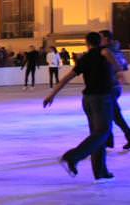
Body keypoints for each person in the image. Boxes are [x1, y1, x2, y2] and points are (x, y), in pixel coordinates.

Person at [43, 31, 118, 183]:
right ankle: (73, 156)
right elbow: (117, 66)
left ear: (87, 43)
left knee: (96, 136)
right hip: (101, 99)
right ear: (100, 41)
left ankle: (100, 171)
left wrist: (52, 94)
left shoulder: (85, 59)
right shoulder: (104, 53)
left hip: (88, 100)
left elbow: (66, 78)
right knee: (103, 132)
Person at [99, 30, 130, 151]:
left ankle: (124, 139)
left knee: (113, 115)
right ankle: (120, 139)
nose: (99, 40)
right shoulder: (116, 51)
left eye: (100, 38)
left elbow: (120, 67)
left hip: (110, 86)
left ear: (106, 39)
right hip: (114, 86)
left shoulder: (107, 51)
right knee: (111, 114)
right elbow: (124, 66)